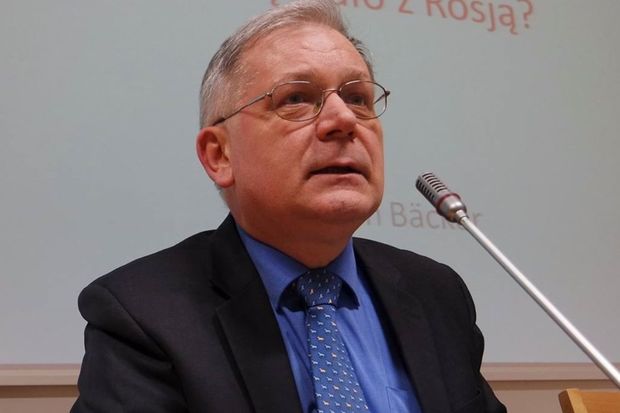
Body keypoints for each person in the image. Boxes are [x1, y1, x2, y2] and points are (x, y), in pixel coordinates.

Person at [71, 1, 506, 412]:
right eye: (296, 98)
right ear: (219, 155)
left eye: (358, 98)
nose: (344, 120)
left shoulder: (436, 294)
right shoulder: (142, 315)